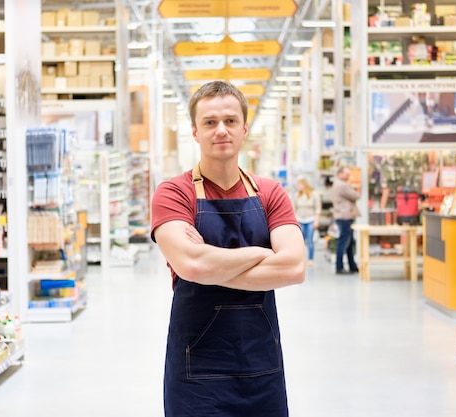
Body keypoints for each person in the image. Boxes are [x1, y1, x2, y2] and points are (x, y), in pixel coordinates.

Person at [150, 80, 306, 417]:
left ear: (244, 128)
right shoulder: (174, 194)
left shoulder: (269, 193)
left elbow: (294, 268)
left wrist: (211, 264)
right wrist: (263, 254)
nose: (221, 130)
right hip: (196, 369)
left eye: (230, 121)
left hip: (261, 365)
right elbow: (192, 266)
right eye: (210, 122)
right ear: (195, 131)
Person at [331, 166, 361, 274]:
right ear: (340, 173)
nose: (348, 177)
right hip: (345, 217)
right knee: (344, 242)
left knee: (349, 243)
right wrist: (358, 188)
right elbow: (356, 195)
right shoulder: (342, 185)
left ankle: (352, 265)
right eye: (346, 174)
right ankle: (339, 267)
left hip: (343, 216)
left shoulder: (337, 184)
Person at [293, 176, 321, 266]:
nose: (298, 187)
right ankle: (301, 259)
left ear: (304, 185)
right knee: (301, 241)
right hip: (300, 219)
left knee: (310, 240)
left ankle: (311, 259)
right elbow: (293, 209)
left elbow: (318, 209)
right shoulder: (297, 195)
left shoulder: (314, 195)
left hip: (310, 220)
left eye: (299, 185)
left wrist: (316, 221)